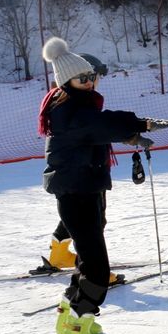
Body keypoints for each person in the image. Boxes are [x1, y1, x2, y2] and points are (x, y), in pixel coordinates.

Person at [39, 37, 168, 334]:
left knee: (87, 261)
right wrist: (140, 124)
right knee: (98, 270)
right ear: (67, 82)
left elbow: (96, 130)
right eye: (82, 79)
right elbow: (99, 125)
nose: (89, 82)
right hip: (78, 193)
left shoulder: (73, 107)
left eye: (91, 77)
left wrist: (130, 135)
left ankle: (68, 317)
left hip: (84, 189)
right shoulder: (71, 110)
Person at [44, 53, 110, 272]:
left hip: (80, 171)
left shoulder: (67, 100)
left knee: (77, 217)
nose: (94, 81)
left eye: (93, 77)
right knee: (93, 222)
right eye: (90, 76)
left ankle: (59, 253)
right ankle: (91, 268)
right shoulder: (79, 103)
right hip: (85, 171)